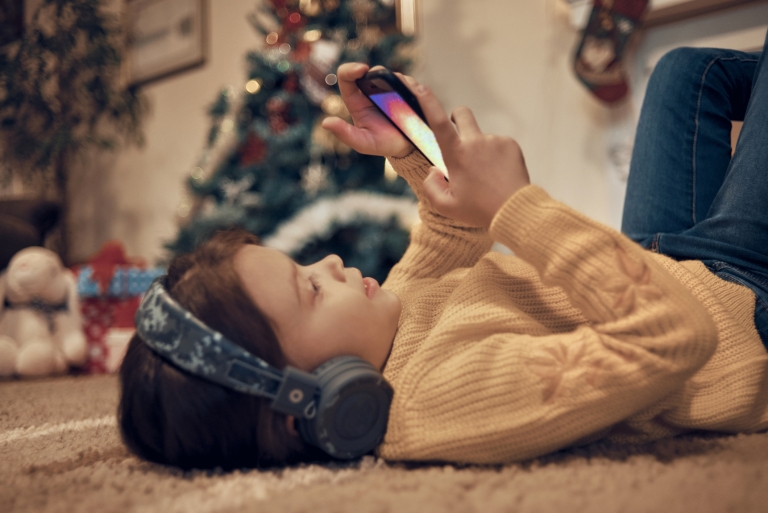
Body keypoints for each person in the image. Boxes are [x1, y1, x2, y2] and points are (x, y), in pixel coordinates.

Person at [118, 33, 768, 470]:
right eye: (311, 289)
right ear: (304, 405)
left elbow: (447, 234)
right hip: (737, 313)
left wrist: (410, 149)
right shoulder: (437, 401)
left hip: (665, 267)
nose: (333, 265)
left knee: (689, 72)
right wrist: (517, 204)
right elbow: (676, 335)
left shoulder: (393, 324)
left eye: (308, 266)